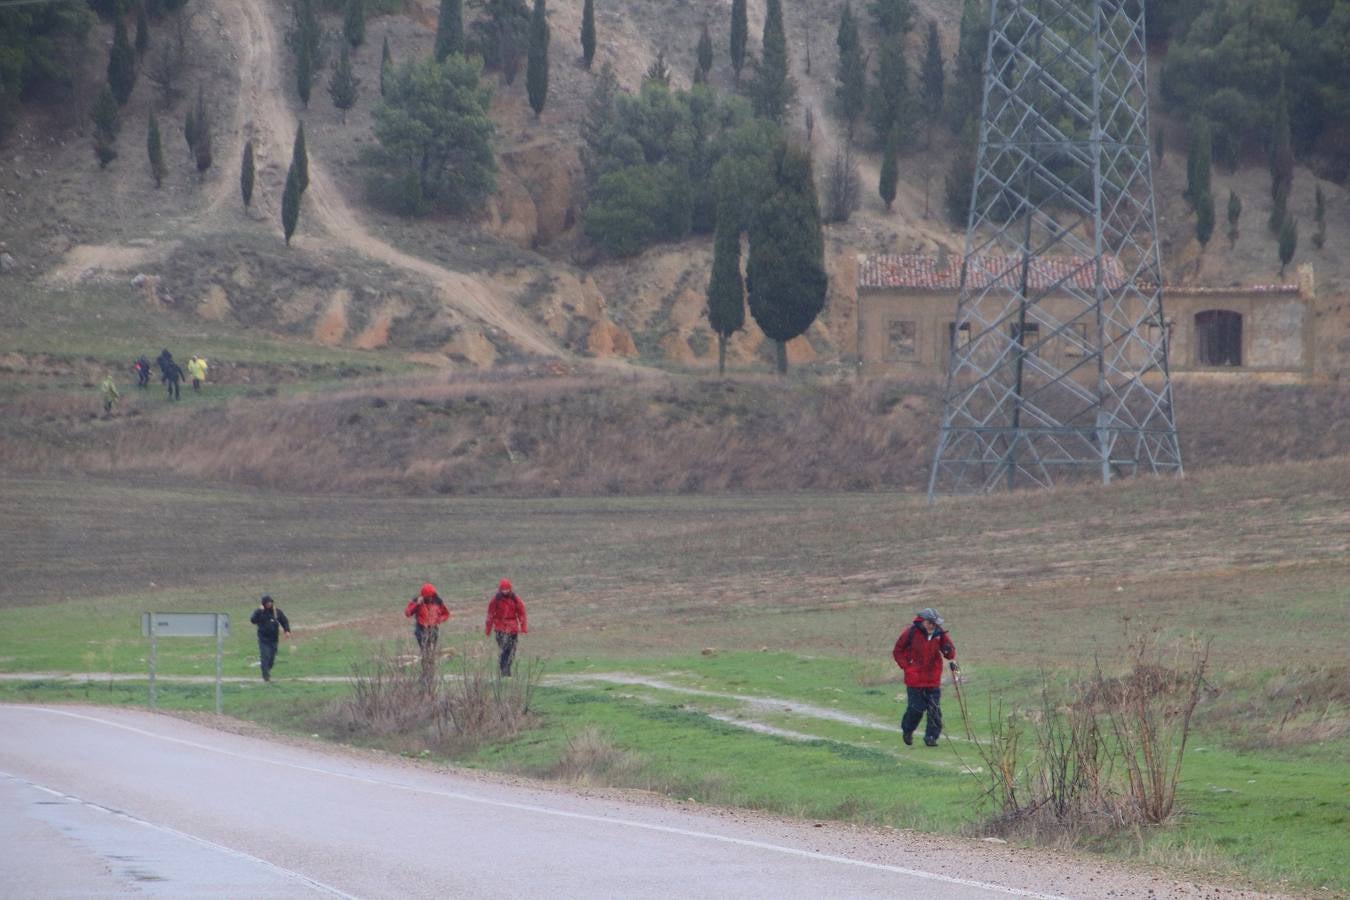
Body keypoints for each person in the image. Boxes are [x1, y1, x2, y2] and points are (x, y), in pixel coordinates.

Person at [892, 607, 957, 747]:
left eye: (935, 623)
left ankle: (931, 737)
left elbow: (950, 654)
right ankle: (908, 730)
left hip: (933, 679)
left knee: (934, 711)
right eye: (930, 623)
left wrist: (948, 650)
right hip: (914, 680)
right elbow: (898, 651)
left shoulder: (940, 634)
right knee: (916, 709)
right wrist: (907, 666)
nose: (933, 626)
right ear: (922, 621)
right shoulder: (910, 633)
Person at [484, 579, 527, 676]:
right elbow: (490, 614)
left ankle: (507, 670)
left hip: (513, 628)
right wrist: (488, 629)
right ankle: (503, 670)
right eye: (503, 589)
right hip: (500, 628)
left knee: (512, 650)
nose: (505, 591)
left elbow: (522, 613)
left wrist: (523, 627)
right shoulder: (495, 600)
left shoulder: (515, 598)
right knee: (504, 649)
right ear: (500, 589)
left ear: (510, 588)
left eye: (507, 589)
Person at [249, 594, 291, 682]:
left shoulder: (276, 612)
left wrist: (287, 630)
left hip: (274, 639)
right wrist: (259, 611)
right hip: (263, 639)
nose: (269, 604)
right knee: (265, 656)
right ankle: (266, 676)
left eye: (270, 602)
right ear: (264, 603)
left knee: (271, 658)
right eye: (267, 603)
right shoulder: (260, 612)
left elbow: (284, 620)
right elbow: (253, 620)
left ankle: (266, 670)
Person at [405, 583, 450, 656]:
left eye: (432, 596)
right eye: (428, 597)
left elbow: (446, 614)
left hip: (433, 629)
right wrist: (417, 604)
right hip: (421, 629)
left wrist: (438, 620)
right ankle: (426, 664)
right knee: (425, 652)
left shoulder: (438, 601)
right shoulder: (417, 601)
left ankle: (431, 664)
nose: (430, 598)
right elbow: (407, 613)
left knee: (431, 652)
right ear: (423, 596)